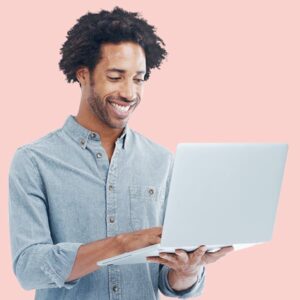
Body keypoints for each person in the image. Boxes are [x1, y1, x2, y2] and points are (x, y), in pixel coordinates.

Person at [8, 6, 233, 300]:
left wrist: (188, 270)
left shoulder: (161, 160)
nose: (129, 93)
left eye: (138, 79)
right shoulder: (34, 161)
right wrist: (121, 244)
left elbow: (168, 280)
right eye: (115, 77)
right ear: (83, 74)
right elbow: (29, 268)